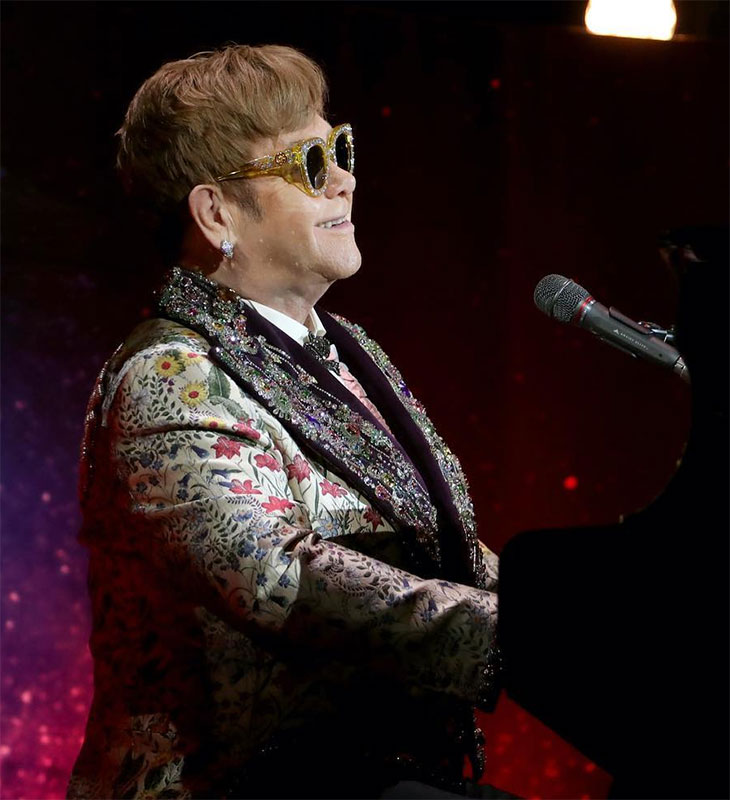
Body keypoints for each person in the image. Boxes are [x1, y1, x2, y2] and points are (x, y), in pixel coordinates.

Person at [68, 44, 501, 800]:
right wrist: (528, 637)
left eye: (343, 149)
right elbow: (283, 579)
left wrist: (577, 610)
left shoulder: (351, 350)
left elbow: (438, 547)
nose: (346, 179)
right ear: (216, 213)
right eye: (311, 163)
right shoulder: (171, 375)